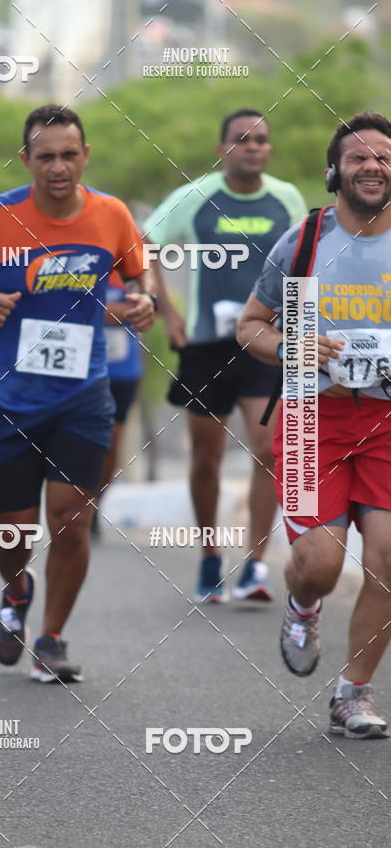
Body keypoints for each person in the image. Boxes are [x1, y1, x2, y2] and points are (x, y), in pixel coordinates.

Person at [0, 104, 156, 683]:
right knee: (9, 533)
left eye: (68, 155)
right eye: (46, 157)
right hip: (8, 397)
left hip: (83, 393)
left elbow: (141, 271)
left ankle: (52, 639)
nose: (58, 167)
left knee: (70, 518)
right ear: (26, 160)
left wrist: (146, 298)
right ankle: (16, 589)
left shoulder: (111, 214)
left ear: (85, 155)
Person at [237, 110, 391, 738]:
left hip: (386, 420)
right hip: (310, 417)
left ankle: (353, 693)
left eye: (383, 157)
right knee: (322, 564)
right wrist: (290, 346)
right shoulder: (303, 242)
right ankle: (303, 604)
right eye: (358, 157)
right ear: (335, 172)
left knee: (389, 557)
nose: (372, 166)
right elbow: (250, 326)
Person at [145, 109, 307, 603]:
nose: (252, 146)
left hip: (264, 342)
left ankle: (255, 565)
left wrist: (298, 329)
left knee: (268, 450)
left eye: (261, 139)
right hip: (206, 346)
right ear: (222, 150)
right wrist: (166, 311)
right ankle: (210, 556)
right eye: (241, 139)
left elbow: (304, 263)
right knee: (206, 458)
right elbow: (144, 244)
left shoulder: (286, 199)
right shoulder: (196, 197)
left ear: (269, 149)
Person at [91, 269, 143, 538]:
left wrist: (101, 310)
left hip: (122, 371)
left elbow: (149, 307)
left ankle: (95, 503)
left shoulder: (133, 270)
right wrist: (116, 311)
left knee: (111, 441)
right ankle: (75, 499)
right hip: (82, 371)